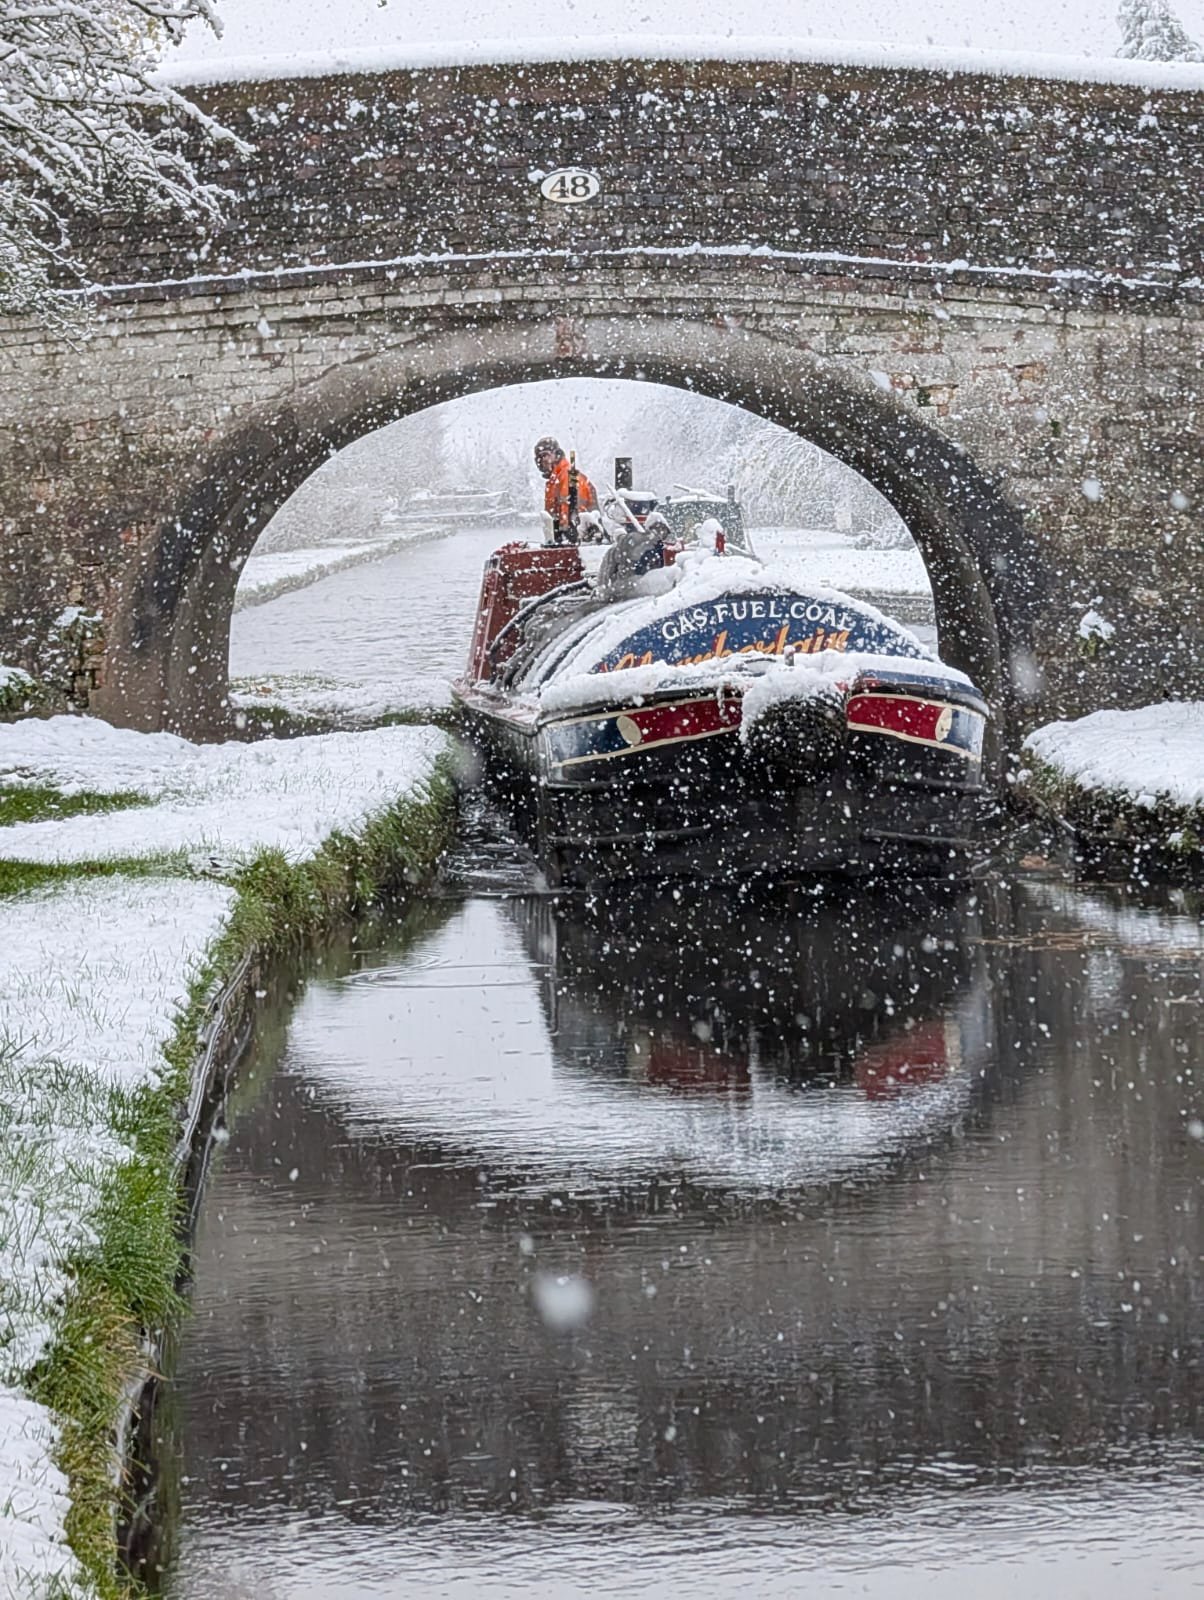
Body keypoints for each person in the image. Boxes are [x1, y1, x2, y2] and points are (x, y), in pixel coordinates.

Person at [533, 436, 597, 543]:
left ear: (557, 455)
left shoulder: (568, 476)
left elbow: (573, 512)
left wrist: (566, 534)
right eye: (540, 457)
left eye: (546, 455)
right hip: (564, 537)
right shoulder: (553, 482)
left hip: (579, 538)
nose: (543, 460)